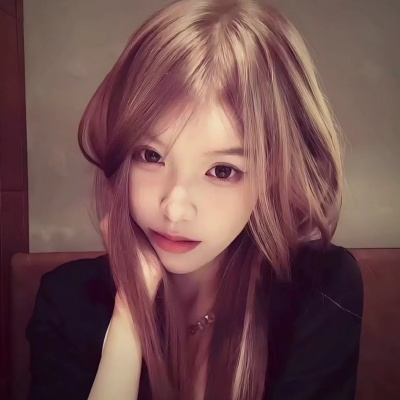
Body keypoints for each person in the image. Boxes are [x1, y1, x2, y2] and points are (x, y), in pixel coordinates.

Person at [26, 0, 364, 399]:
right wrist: (128, 321)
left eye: (222, 170)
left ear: (275, 175)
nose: (174, 209)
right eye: (151, 155)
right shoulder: (67, 301)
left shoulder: (318, 289)